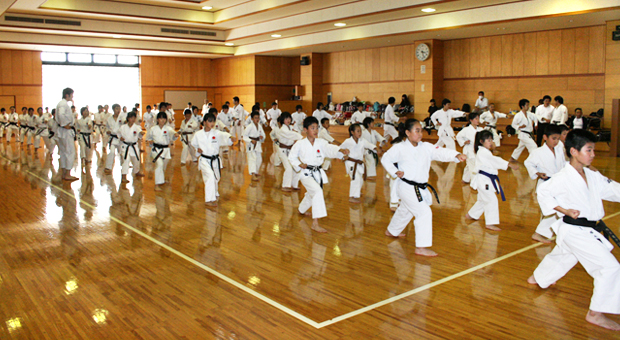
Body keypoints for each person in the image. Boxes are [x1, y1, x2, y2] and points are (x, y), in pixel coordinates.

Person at [527, 129, 620, 331]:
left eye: (593, 150)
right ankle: (595, 314)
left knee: (564, 255)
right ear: (574, 151)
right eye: (589, 150)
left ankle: (538, 278)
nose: (593, 154)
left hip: (582, 231)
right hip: (575, 230)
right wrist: (563, 209)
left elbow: (613, 190)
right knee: (609, 268)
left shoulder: (592, 175)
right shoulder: (562, 177)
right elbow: (543, 192)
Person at [381, 119, 466, 256]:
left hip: (419, 188)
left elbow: (441, 152)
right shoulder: (400, 147)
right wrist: (394, 171)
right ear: (408, 133)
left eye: (421, 130)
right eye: (417, 130)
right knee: (424, 212)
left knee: (406, 209)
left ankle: (392, 231)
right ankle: (421, 247)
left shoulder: (426, 147)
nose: (420, 134)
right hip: (406, 186)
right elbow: (386, 158)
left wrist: (456, 155)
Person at [288, 116, 349, 233]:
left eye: (316, 128)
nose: (315, 130)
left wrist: (340, 151)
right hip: (306, 173)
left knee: (312, 193)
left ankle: (301, 210)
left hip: (317, 172)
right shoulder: (300, 144)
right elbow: (292, 157)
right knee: (317, 191)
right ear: (305, 130)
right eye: (312, 128)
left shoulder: (321, 142)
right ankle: (315, 223)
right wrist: (299, 164)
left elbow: (329, 148)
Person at [466, 130, 517, 230]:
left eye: (491, 140)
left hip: (485, 180)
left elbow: (493, 159)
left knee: (482, 199)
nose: (491, 142)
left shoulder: (484, 151)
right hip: (484, 180)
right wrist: (508, 164)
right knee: (491, 200)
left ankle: (471, 215)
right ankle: (490, 223)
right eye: (488, 140)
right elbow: (494, 161)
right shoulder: (483, 153)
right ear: (481, 141)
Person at [524, 124, 566, 243]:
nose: (556, 141)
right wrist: (538, 173)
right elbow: (528, 163)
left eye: (558, 138)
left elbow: (563, 164)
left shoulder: (559, 150)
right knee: (553, 210)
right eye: (554, 138)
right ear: (545, 137)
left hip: (558, 183)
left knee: (557, 209)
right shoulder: (538, 152)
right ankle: (539, 233)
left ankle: (549, 231)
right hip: (546, 185)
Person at [191, 113, 236, 207]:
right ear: (204, 122)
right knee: (210, 177)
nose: (212, 123)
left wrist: (230, 138)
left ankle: (214, 193)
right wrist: (197, 150)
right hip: (204, 160)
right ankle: (209, 200)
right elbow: (194, 144)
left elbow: (224, 135)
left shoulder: (216, 133)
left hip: (215, 159)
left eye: (213, 121)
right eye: (209, 121)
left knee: (216, 178)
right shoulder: (198, 134)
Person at [340, 123, 378, 203]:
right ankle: (352, 196)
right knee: (355, 178)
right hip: (351, 162)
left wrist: (375, 148)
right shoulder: (348, 141)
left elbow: (369, 145)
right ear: (352, 132)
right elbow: (340, 149)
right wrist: (343, 156)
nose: (360, 133)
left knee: (360, 179)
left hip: (359, 163)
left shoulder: (362, 141)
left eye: (360, 131)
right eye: (358, 131)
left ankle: (356, 192)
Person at [146, 112, 178, 191]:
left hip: (166, 150)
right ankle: (157, 184)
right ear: (157, 119)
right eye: (160, 118)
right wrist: (150, 141)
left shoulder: (168, 128)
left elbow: (172, 133)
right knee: (159, 164)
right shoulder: (153, 129)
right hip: (156, 150)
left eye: (164, 118)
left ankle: (161, 180)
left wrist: (175, 135)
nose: (162, 120)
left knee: (163, 167)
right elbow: (148, 138)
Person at [276, 112, 303, 191]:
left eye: (289, 118)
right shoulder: (283, 130)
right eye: (286, 119)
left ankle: (294, 184)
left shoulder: (290, 128)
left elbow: (294, 134)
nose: (288, 120)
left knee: (296, 167)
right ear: (282, 120)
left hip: (290, 150)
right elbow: (290, 134)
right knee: (288, 168)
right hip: (283, 151)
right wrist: (300, 137)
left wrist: (297, 137)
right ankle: (285, 185)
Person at [55, 88, 78, 181]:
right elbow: (60, 115)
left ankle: (64, 172)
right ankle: (67, 173)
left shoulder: (62, 104)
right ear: (67, 95)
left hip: (62, 131)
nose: (72, 97)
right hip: (65, 131)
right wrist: (65, 124)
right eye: (72, 95)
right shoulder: (63, 104)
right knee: (70, 152)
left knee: (64, 152)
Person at [456, 112, 483, 184]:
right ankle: (474, 184)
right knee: (473, 167)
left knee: (470, 165)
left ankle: (465, 179)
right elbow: (458, 136)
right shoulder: (466, 130)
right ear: (471, 120)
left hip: (477, 150)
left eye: (478, 118)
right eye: (476, 118)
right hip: (470, 151)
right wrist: (464, 142)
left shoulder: (480, 129)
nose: (478, 120)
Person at [119, 111, 144, 183]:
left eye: (134, 118)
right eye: (131, 118)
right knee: (126, 160)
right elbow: (118, 134)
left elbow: (139, 133)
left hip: (134, 146)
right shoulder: (123, 127)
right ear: (128, 118)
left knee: (136, 160)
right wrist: (120, 137)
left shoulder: (137, 127)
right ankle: (124, 176)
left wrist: (141, 133)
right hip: (125, 146)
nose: (133, 119)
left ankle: (136, 172)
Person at [243, 111, 266, 181]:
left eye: (258, 118)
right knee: (252, 159)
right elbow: (244, 136)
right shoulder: (249, 127)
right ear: (252, 119)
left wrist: (262, 137)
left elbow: (263, 134)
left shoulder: (259, 126)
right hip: (251, 144)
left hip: (258, 143)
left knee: (259, 159)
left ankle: (255, 172)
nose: (257, 119)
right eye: (255, 118)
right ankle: (253, 175)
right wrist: (250, 141)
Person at [104, 104, 124, 174]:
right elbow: (107, 128)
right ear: (113, 110)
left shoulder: (122, 118)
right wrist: (107, 131)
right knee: (112, 152)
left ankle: (124, 165)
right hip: (113, 138)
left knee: (122, 153)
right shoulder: (109, 119)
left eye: (119, 108)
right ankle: (108, 167)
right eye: (116, 109)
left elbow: (125, 127)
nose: (118, 110)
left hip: (120, 138)